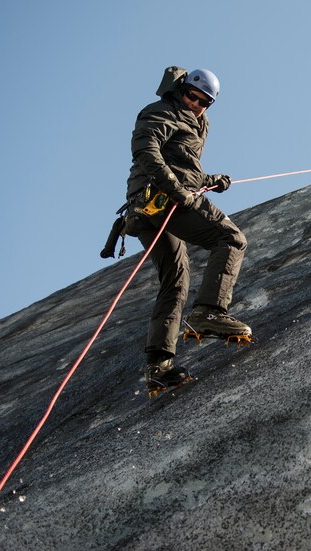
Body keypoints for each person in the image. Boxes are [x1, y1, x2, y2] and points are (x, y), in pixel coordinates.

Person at [123, 67, 251, 393]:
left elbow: (183, 168)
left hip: (153, 206)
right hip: (162, 200)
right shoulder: (161, 111)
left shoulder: (195, 123)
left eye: (204, 101)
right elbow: (146, 150)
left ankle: (159, 365)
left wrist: (211, 181)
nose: (195, 103)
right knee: (231, 239)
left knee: (176, 280)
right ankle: (209, 311)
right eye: (191, 96)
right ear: (181, 89)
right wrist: (178, 192)